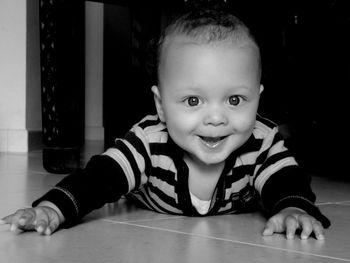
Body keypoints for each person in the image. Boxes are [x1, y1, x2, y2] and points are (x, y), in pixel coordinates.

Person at [1, 5, 330, 239]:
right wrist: (53, 210)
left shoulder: (262, 138)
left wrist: (293, 209)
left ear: (257, 97)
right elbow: (96, 179)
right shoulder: (148, 141)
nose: (216, 118)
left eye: (234, 100)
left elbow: (288, 180)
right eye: (192, 101)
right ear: (161, 105)